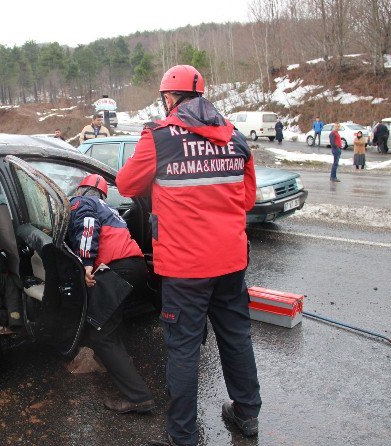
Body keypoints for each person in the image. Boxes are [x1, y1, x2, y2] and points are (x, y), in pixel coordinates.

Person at [116, 65, 261, 446]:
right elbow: (246, 199)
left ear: (169, 98)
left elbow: (126, 183)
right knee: (236, 337)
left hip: (186, 267)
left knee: (183, 349)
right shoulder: (237, 138)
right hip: (231, 261)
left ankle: (182, 435)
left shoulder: (158, 137)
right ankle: (247, 414)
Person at [67, 174, 154, 415]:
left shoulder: (81, 203)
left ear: (82, 190)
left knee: (101, 332)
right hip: (136, 266)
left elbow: (87, 226)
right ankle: (117, 365)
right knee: (110, 321)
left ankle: (138, 396)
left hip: (117, 268)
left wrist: (86, 263)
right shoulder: (111, 209)